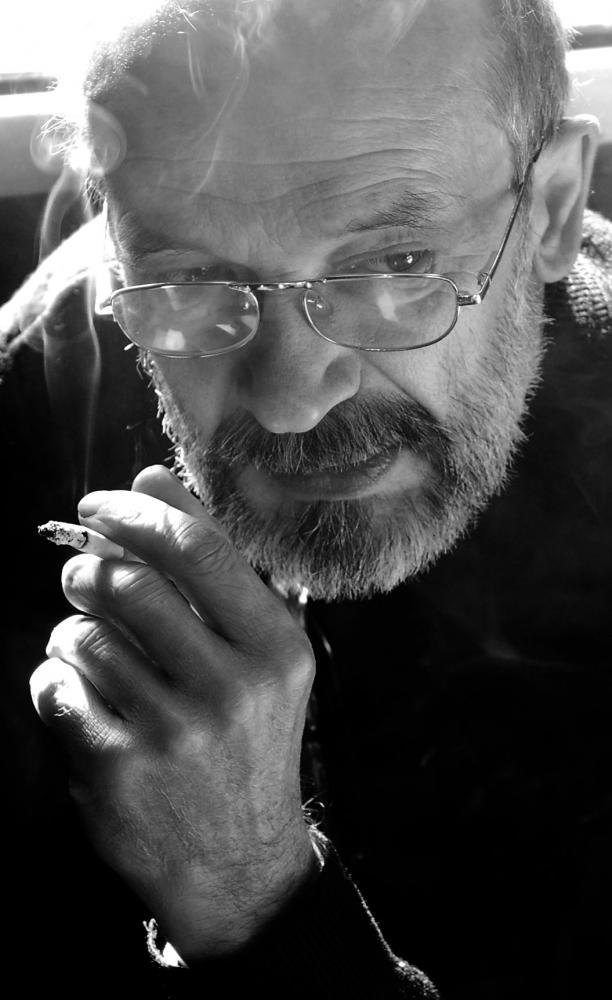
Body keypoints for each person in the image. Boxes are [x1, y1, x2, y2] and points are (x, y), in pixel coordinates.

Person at [1, 0, 611, 996]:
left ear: (548, 209)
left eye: (396, 265)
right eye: (195, 277)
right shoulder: (35, 390)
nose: (289, 403)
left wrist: (253, 903)